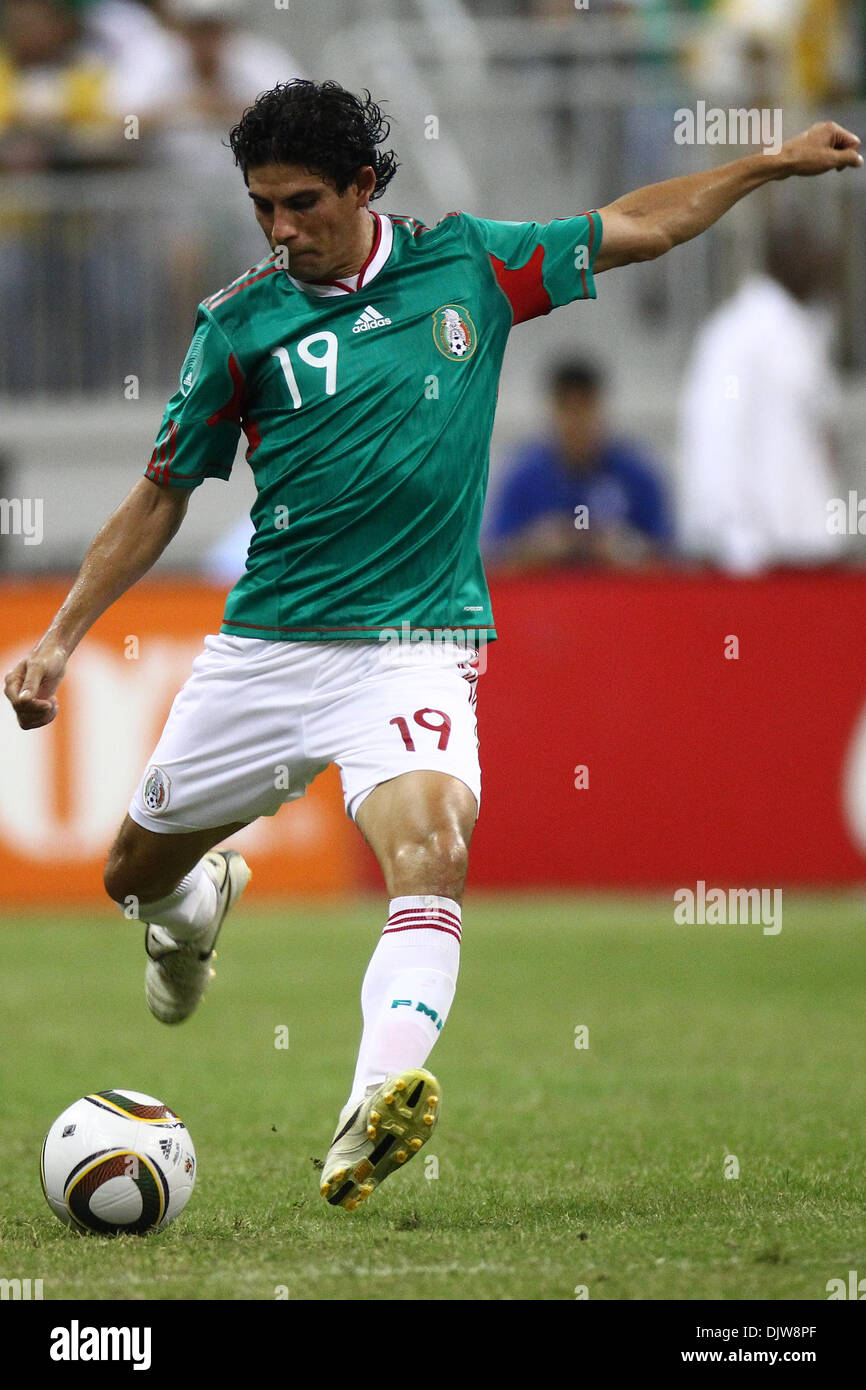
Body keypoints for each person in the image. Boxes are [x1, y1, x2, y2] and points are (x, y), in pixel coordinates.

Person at [4, 80, 861, 1213]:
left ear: (363, 187)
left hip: (413, 646)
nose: (278, 229)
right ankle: (187, 921)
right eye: (260, 205)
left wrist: (763, 165)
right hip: (266, 651)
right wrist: (62, 635)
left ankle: (372, 1102)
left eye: (300, 203)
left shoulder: (469, 265)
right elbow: (161, 494)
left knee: (433, 844)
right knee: (131, 874)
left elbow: (640, 225)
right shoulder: (239, 326)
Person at [677, 223, 845, 573]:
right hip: (763, 555)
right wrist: (739, 539)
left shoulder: (804, 331)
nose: (820, 263)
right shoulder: (738, 332)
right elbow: (716, 432)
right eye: (809, 252)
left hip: (810, 549)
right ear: (781, 258)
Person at [486, 359, 671, 570]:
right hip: (545, 598)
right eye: (567, 408)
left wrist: (628, 550)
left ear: (599, 408)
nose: (576, 421)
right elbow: (493, 563)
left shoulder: (637, 476)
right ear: (552, 410)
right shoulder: (522, 477)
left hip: (619, 597)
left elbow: (669, 562)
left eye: (583, 407)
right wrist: (532, 549)